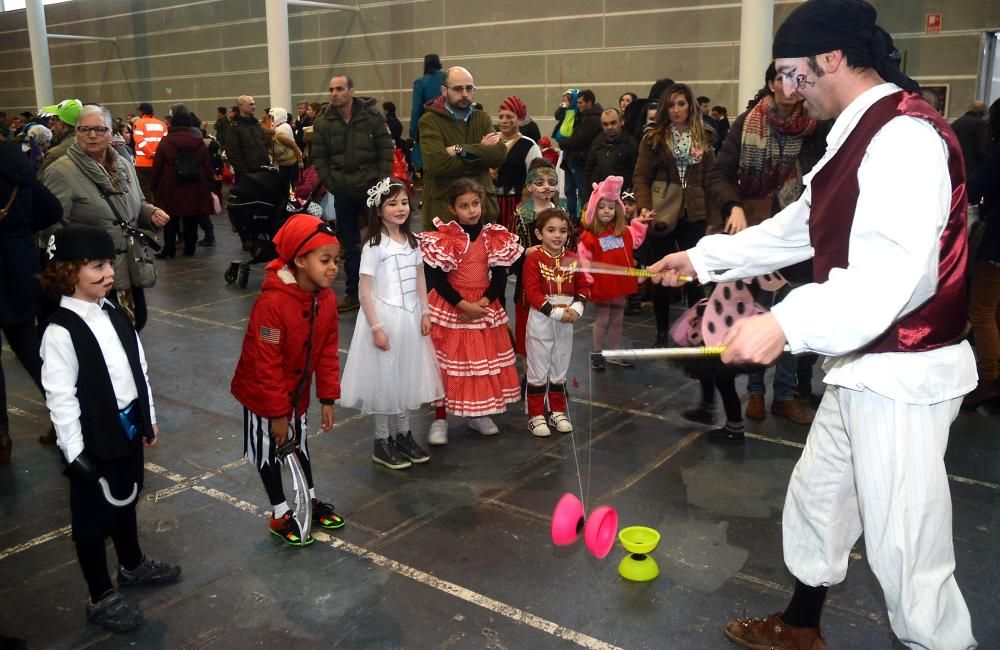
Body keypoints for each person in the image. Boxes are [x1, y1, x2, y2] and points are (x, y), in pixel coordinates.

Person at [650, 1, 977, 647]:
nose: (790, 92)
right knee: (821, 497)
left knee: (908, 551)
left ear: (830, 58)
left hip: (902, 375)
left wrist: (783, 323)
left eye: (793, 75)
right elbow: (800, 227)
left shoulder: (904, 137)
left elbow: (893, 277)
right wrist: (700, 257)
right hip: (862, 364)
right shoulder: (860, 130)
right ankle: (801, 627)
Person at [39, 226, 180, 633]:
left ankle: (132, 564)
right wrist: (74, 452)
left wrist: (148, 415)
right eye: (96, 266)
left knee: (126, 497)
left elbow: (139, 369)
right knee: (91, 519)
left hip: (128, 426)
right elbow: (60, 398)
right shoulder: (60, 331)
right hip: (93, 439)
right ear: (67, 273)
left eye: (108, 264)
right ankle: (99, 593)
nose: (108, 273)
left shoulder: (115, 312)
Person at [706, 62, 827, 426]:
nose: (789, 87)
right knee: (758, 312)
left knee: (793, 314)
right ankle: (756, 391)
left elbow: (827, 172)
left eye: (794, 79)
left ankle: (785, 394)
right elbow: (719, 173)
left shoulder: (817, 122)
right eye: (780, 79)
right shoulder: (748, 122)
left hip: (802, 231)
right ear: (771, 84)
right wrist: (734, 206)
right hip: (759, 229)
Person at [230, 213, 347, 547]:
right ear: (299, 260)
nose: (332, 268)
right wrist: (278, 415)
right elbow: (265, 366)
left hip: (297, 394)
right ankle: (280, 512)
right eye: (324, 260)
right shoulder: (273, 304)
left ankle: (307, 499)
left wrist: (327, 398)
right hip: (262, 396)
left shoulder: (324, 299)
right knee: (270, 451)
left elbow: (326, 351)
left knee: (300, 445)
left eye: (335, 260)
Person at [338, 178, 444, 469]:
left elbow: (421, 277)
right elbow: (365, 290)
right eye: (392, 203)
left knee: (406, 378)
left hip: (410, 319)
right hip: (385, 319)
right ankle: (382, 441)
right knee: (385, 383)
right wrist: (376, 328)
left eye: (404, 202)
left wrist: (425, 312)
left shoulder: (413, 241)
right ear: (379, 210)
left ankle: (403, 435)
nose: (400, 208)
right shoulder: (374, 245)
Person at [42, 104, 170, 332]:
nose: (92, 135)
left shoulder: (124, 164)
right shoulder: (61, 171)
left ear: (112, 133)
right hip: (88, 273)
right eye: (85, 129)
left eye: (100, 129)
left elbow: (137, 202)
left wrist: (151, 213)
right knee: (101, 333)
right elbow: (51, 226)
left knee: (135, 321)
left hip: (129, 264)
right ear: (77, 133)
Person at [419, 179, 522, 446]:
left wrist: (482, 305)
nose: (472, 210)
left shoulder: (494, 237)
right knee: (447, 366)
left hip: (484, 307)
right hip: (453, 306)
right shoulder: (445, 239)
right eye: (464, 206)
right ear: (453, 209)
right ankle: (440, 417)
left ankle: (479, 413)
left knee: (481, 365)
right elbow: (438, 281)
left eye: (475, 203)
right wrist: (464, 306)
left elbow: (500, 278)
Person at [633, 83, 717, 346]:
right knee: (661, 272)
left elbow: (711, 179)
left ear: (690, 105)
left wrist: (715, 219)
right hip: (663, 211)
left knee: (694, 274)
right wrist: (644, 205)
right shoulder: (654, 137)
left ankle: (696, 329)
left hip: (695, 210)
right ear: (664, 108)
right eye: (671, 105)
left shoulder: (704, 136)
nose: (677, 109)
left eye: (682, 104)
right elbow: (641, 176)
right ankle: (661, 330)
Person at [0, 141, 63, 462]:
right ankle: (63, 416)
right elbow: (53, 209)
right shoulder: (20, 168)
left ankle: (2, 438)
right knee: (29, 347)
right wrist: (20, 231)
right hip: (20, 265)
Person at [312, 75, 395, 314]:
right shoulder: (323, 122)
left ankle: (383, 291)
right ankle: (353, 293)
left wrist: (381, 182)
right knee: (349, 245)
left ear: (351, 91)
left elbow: (385, 149)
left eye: (339, 89)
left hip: (372, 190)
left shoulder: (372, 117)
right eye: (331, 89)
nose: (334, 93)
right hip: (343, 191)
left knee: (379, 242)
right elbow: (319, 157)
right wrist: (331, 183)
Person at [522, 208, 590, 437]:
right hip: (542, 320)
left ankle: (557, 411)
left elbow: (583, 286)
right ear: (539, 233)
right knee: (538, 369)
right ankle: (536, 414)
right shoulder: (533, 259)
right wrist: (555, 312)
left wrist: (577, 307)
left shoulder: (573, 258)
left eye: (562, 231)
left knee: (559, 367)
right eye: (551, 230)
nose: (557, 235)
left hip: (566, 320)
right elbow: (531, 291)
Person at [418, 66, 506, 229]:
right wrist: (481, 152)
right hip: (444, 215)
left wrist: (459, 150)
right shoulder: (429, 121)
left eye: (469, 88)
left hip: (482, 214)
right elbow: (436, 164)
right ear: (444, 91)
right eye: (458, 89)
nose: (465, 94)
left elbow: (498, 155)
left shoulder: (482, 118)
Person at [576, 176, 649, 371]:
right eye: (601, 207)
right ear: (593, 209)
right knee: (603, 318)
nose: (606, 211)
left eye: (610, 207)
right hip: (602, 284)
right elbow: (583, 258)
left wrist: (640, 223)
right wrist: (587, 278)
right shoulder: (590, 235)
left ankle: (614, 352)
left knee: (618, 319)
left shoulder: (623, 231)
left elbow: (635, 240)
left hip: (620, 284)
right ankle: (598, 353)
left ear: (617, 209)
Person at [964, 98, 1000, 407]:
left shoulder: (999, 153)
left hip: (997, 244)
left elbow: (975, 188)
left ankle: (989, 380)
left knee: (982, 311)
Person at [150, 104, 214, 259]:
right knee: (191, 219)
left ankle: (169, 250)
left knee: (170, 220)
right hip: (194, 186)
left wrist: (154, 185)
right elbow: (207, 166)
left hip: (171, 186)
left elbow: (157, 165)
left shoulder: (165, 142)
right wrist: (213, 187)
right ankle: (190, 248)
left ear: (172, 123)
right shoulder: (198, 142)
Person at [512, 160, 560, 354]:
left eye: (551, 182)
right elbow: (512, 243)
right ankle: (526, 360)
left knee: (553, 319)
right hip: (529, 277)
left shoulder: (560, 211)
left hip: (555, 277)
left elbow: (570, 241)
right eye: (540, 183)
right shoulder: (521, 213)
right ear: (530, 186)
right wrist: (525, 251)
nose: (546, 187)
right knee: (526, 321)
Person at [493, 95, 542, 232]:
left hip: (518, 204)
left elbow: (537, 179)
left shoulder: (529, 146)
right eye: (501, 116)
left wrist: (526, 213)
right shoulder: (490, 141)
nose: (504, 121)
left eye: (509, 117)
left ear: (520, 119)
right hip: (490, 205)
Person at [558, 89, 604, 216]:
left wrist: (563, 142)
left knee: (582, 193)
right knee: (569, 191)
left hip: (581, 161)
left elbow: (580, 139)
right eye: (577, 102)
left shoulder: (593, 119)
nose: (578, 105)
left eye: (580, 102)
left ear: (589, 102)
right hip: (572, 160)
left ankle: (581, 218)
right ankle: (572, 217)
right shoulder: (580, 115)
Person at [584, 108, 638, 191]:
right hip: (599, 195)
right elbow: (589, 171)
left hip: (622, 196)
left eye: (613, 123)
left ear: (621, 122)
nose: (609, 127)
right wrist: (586, 199)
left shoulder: (631, 144)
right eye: (605, 124)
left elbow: (637, 173)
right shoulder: (597, 142)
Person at [410, 53, 445, 176]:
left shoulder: (420, 82)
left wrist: (413, 133)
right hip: (449, 127)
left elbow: (416, 110)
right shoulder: (447, 79)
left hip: (429, 129)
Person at [225, 95, 269, 178]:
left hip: (263, 170)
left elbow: (263, 143)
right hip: (247, 174)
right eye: (251, 104)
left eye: (254, 104)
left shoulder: (256, 124)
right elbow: (232, 152)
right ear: (241, 106)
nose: (254, 107)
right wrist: (244, 171)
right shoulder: (234, 127)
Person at [131, 103, 166, 202]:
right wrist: (159, 156)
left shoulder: (139, 123)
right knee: (158, 189)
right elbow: (165, 142)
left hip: (143, 163)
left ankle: (151, 214)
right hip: (160, 163)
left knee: (145, 190)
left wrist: (150, 154)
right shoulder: (161, 124)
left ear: (142, 112)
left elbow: (139, 141)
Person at [38, 98, 83, 174]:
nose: (52, 123)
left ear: (61, 124)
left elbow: (42, 183)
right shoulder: (87, 144)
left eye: (53, 119)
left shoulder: (55, 154)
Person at [268, 107, 305, 191]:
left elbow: (293, 145)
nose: (272, 120)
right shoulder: (283, 126)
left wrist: (300, 160)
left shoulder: (281, 130)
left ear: (279, 116)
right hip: (286, 162)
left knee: (292, 185)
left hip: (291, 162)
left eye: (273, 117)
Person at [951, 100, 989, 178]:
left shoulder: (956, 123)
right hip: (973, 169)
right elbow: (982, 149)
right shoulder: (980, 124)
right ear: (982, 113)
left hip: (956, 166)